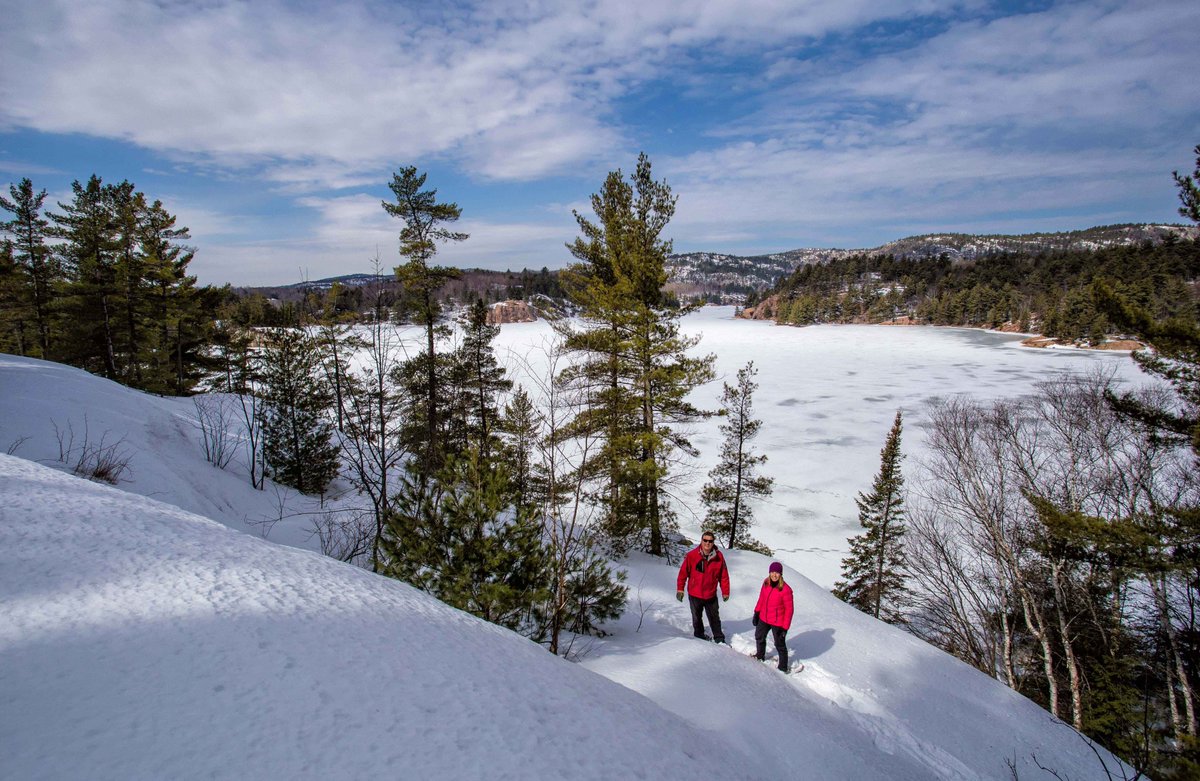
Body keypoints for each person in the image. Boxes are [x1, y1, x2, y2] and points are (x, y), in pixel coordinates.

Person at [676, 531, 730, 643]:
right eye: (705, 540)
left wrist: (725, 591)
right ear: (701, 541)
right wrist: (680, 589)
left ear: (713, 542)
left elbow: (723, 575)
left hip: (710, 594)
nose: (707, 543)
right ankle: (699, 637)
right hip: (695, 594)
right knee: (696, 618)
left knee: (714, 618)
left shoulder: (718, 557)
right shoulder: (692, 555)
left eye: (710, 541)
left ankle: (719, 638)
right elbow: (683, 574)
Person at [752, 561, 794, 671]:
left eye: (777, 572)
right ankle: (760, 655)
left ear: (781, 574)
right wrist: (756, 612)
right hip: (764, 617)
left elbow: (789, 610)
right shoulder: (766, 583)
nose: (774, 575)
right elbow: (761, 599)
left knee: (779, 643)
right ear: (769, 573)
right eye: (772, 572)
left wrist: (785, 628)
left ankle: (783, 666)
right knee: (759, 636)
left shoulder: (786, 590)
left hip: (778, 621)